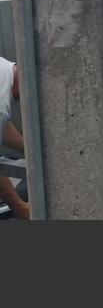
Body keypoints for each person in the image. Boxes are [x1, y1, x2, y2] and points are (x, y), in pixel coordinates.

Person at [0, 58, 29, 220]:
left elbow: (3, 128)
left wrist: (31, 150)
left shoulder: (5, 69)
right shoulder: (1, 103)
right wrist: (19, 206)